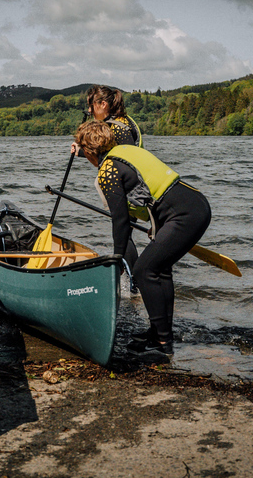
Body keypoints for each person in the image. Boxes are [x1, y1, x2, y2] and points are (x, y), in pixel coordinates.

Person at [72, 120, 211, 356]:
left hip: (183, 215)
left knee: (144, 271)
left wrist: (117, 258)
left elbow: (120, 220)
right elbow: (153, 191)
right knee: (159, 270)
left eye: (84, 152)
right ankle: (158, 333)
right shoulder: (128, 150)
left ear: (88, 151)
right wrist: (159, 224)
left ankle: (163, 344)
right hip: (193, 203)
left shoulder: (107, 170)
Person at [86, 85, 143, 290]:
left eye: (92, 106)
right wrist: (83, 150)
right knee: (124, 234)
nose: (90, 111)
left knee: (123, 233)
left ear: (103, 104)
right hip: (130, 185)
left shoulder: (117, 127)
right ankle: (133, 283)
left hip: (129, 188)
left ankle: (134, 284)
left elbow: (123, 158)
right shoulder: (123, 122)